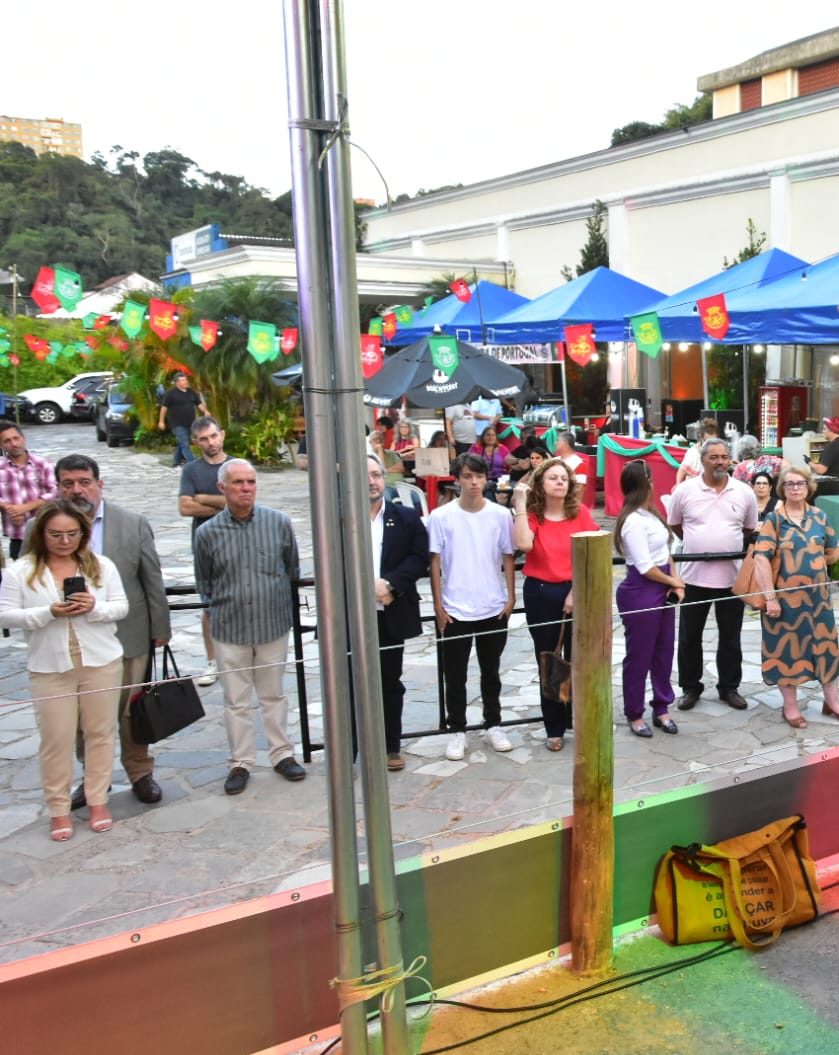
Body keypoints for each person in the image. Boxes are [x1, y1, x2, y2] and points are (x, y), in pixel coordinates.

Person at [0, 501, 128, 840]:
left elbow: (121, 606)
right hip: (50, 667)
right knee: (56, 739)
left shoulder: (101, 566)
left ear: (83, 534)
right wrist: (47, 612)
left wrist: (94, 608)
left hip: (100, 662)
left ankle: (98, 799)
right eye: (56, 534)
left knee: (100, 734)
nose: (64, 541)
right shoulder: (21, 570)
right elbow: (5, 615)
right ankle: (58, 807)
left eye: (72, 534)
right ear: (41, 534)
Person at [52, 454, 171, 808]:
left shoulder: (131, 523)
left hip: (128, 637)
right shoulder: (43, 529)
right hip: (72, 642)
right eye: (68, 483)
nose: (77, 490)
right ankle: (93, 779)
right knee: (83, 718)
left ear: (99, 484)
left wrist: (160, 628)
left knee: (131, 712)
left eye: (84, 482)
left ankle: (140, 772)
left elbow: (152, 579)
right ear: (58, 487)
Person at [194, 459, 305, 794]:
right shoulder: (207, 533)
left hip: (272, 623)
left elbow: (292, 570)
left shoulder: (279, 523)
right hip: (231, 628)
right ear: (222, 488)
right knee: (236, 700)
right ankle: (240, 761)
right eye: (238, 482)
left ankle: (282, 753)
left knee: (273, 694)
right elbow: (205, 582)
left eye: (251, 482)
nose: (246, 488)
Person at [429, 453, 515, 761]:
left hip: (492, 604)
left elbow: (508, 555)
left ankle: (493, 723)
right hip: (455, 607)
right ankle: (457, 729)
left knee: (491, 671)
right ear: (457, 479)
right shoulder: (441, 517)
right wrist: (438, 605)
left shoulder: (500, 515)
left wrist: (511, 596)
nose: (474, 482)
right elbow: (435, 561)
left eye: (479, 476)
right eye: (467, 476)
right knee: (455, 674)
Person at [512, 458, 598, 751]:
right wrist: (520, 504)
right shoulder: (534, 516)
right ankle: (555, 725)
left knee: (581, 660)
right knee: (549, 660)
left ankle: (582, 719)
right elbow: (523, 544)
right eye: (553, 478)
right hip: (540, 593)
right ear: (540, 484)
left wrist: (575, 591)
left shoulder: (581, 515)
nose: (560, 482)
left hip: (577, 592)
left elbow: (592, 554)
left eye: (564, 478)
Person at [667, 439, 759, 711]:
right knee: (689, 637)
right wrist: (699, 544)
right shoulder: (684, 491)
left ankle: (729, 687)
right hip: (694, 577)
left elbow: (748, 529)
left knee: (731, 636)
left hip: (732, 579)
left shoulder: (744, 492)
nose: (720, 462)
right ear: (703, 460)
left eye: (724, 457)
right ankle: (690, 687)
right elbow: (675, 525)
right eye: (714, 457)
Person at [753, 466, 839, 729]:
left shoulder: (820, 517)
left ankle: (832, 701)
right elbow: (761, 559)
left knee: (827, 650)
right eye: (789, 484)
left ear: (808, 486)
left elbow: (833, 552)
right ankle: (790, 706)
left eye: (799, 483)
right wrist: (770, 598)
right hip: (784, 604)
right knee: (786, 652)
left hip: (819, 601)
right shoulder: (774, 520)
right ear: (782, 489)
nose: (795, 488)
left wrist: (813, 567)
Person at [367, 455, 429, 771]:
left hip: (389, 612)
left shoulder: (404, 517)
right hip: (352, 618)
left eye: (377, 474)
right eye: (365, 475)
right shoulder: (338, 518)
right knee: (352, 683)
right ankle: (356, 746)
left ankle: (391, 745)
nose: (372, 481)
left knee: (390, 681)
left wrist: (390, 584)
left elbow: (419, 558)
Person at [613, 461, 684, 737]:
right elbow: (645, 566)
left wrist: (675, 581)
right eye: (651, 480)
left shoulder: (652, 514)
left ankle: (662, 706)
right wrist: (672, 581)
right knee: (639, 655)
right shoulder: (631, 521)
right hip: (642, 590)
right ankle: (634, 712)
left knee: (664, 651)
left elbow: (665, 552)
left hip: (662, 584)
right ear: (644, 483)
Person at [178, 416, 232, 686]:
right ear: (195, 442)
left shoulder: (235, 467)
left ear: (221, 434)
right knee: (208, 605)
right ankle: (213, 661)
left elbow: (241, 502)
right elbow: (185, 507)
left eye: (213, 436)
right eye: (204, 439)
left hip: (236, 542)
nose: (210, 442)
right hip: (204, 546)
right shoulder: (191, 471)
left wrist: (203, 498)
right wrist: (222, 504)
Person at [0, 419, 57, 559]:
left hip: (45, 533)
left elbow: (55, 492)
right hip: (18, 535)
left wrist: (25, 508)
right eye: (7, 441)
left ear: (23, 439)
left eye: (16, 438)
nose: (13, 444)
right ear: (1, 445)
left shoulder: (43, 464)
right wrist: (10, 508)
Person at [157, 372, 209, 467]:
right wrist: (161, 421)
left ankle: (176, 462)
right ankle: (193, 464)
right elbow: (164, 408)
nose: (186, 382)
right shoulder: (171, 393)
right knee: (185, 443)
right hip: (177, 424)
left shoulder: (191, 392)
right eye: (183, 380)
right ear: (177, 382)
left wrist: (205, 411)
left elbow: (199, 403)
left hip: (190, 423)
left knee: (182, 443)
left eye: (186, 380)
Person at [675, 418, 719, 486]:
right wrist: (677, 486)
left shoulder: (719, 451)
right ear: (701, 438)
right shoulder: (693, 453)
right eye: (707, 441)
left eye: (713, 441)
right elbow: (682, 471)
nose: (710, 445)